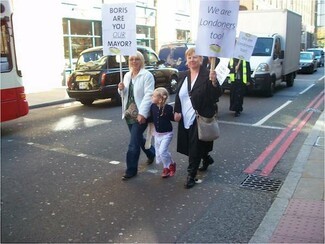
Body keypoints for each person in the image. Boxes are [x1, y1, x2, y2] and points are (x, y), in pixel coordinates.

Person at [174, 47, 222, 189]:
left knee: (194, 146)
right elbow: (179, 95)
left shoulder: (208, 75)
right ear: (186, 60)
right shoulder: (183, 75)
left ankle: (191, 175)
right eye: (189, 57)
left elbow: (216, 95)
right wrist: (177, 110)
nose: (192, 59)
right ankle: (206, 158)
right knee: (190, 144)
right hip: (185, 116)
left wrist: (214, 82)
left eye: (195, 57)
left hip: (200, 115)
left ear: (201, 59)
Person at [117, 51, 155, 180]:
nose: (134, 62)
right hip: (128, 114)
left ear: (142, 61)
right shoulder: (127, 75)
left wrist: (142, 113)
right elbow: (124, 94)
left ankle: (131, 170)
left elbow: (148, 95)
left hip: (140, 115)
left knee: (133, 143)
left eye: (137, 59)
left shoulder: (147, 75)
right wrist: (121, 88)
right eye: (131, 59)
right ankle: (151, 152)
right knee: (138, 138)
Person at [147, 87, 176, 178]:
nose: (152, 97)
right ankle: (170, 164)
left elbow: (172, 118)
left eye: (154, 96)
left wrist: (179, 117)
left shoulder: (168, 108)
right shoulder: (152, 107)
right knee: (160, 152)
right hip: (157, 134)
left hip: (167, 134)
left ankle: (167, 168)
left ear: (160, 99)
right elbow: (151, 118)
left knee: (162, 151)